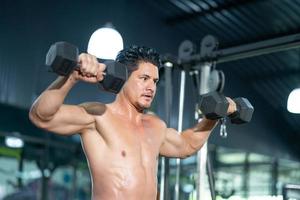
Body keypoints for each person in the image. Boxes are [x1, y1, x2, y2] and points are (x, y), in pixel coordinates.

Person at [29, 45, 236, 200]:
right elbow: (41, 116)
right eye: (143, 78)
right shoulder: (98, 115)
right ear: (124, 77)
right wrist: (72, 77)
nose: (151, 87)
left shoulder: (155, 125)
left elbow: (187, 145)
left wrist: (216, 115)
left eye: (154, 81)